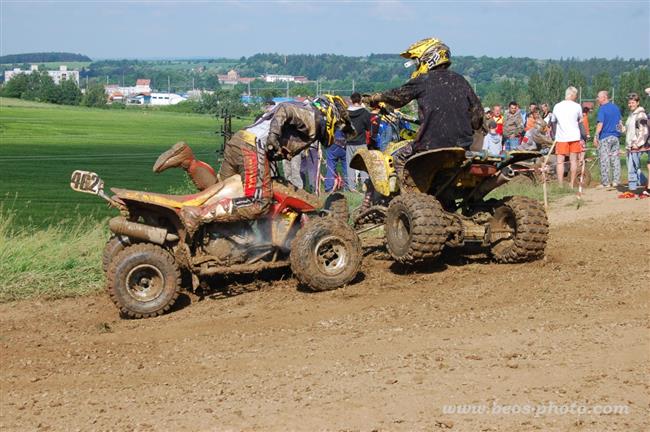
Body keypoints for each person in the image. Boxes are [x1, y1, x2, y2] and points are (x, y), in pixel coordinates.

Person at [153, 95, 354, 233]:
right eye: (336, 125)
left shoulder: (305, 111)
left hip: (240, 139)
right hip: (252, 147)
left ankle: (189, 162)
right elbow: (284, 110)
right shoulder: (310, 117)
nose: (335, 130)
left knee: (221, 191)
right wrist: (274, 137)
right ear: (330, 113)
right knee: (258, 202)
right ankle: (199, 214)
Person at [362, 37, 483, 178]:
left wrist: (375, 98)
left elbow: (398, 96)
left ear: (427, 59)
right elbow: (478, 115)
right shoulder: (461, 80)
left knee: (398, 158)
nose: (416, 66)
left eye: (416, 62)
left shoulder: (423, 81)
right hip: (462, 146)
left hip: (430, 144)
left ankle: (408, 196)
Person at [552, 86, 584, 188]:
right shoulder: (577, 106)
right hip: (574, 136)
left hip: (561, 137)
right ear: (572, 94)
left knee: (560, 161)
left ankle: (560, 184)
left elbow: (553, 121)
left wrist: (554, 135)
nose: (576, 97)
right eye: (576, 95)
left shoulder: (557, 106)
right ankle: (571, 183)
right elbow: (580, 121)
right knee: (573, 160)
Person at [621, 92, 649, 195]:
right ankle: (643, 183)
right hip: (629, 145)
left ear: (637, 102)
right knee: (633, 167)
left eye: (632, 102)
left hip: (636, 146)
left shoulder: (641, 114)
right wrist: (622, 128)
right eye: (629, 103)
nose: (630, 105)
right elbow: (628, 130)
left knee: (633, 168)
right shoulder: (631, 115)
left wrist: (638, 143)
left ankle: (633, 189)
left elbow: (644, 131)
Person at [594, 90, 622, 189]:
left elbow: (600, 124)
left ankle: (605, 182)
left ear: (604, 97)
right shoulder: (616, 108)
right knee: (615, 159)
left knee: (604, 160)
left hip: (605, 137)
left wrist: (596, 136)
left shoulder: (602, 109)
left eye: (598, 97)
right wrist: (618, 135)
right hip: (615, 137)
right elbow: (619, 123)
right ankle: (616, 181)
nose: (597, 99)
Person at [346, 92, 372, 191]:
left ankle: (351, 187)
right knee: (363, 165)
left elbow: (343, 127)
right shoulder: (365, 112)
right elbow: (369, 128)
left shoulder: (346, 112)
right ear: (360, 100)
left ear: (351, 100)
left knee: (350, 166)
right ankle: (365, 186)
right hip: (361, 142)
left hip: (349, 142)